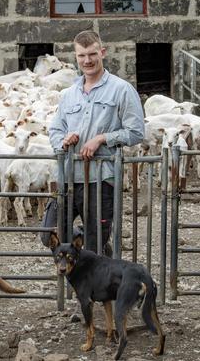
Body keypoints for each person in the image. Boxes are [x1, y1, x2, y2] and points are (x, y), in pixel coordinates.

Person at [46, 30, 144, 256]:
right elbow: (55, 130)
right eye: (81, 56)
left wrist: (103, 138)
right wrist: (63, 141)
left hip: (101, 179)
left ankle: (98, 256)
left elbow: (136, 132)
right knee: (48, 233)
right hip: (69, 176)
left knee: (93, 244)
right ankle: (96, 245)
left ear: (103, 52)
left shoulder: (121, 89)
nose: (87, 61)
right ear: (75, 56)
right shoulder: (69, 94)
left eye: (92, 54)